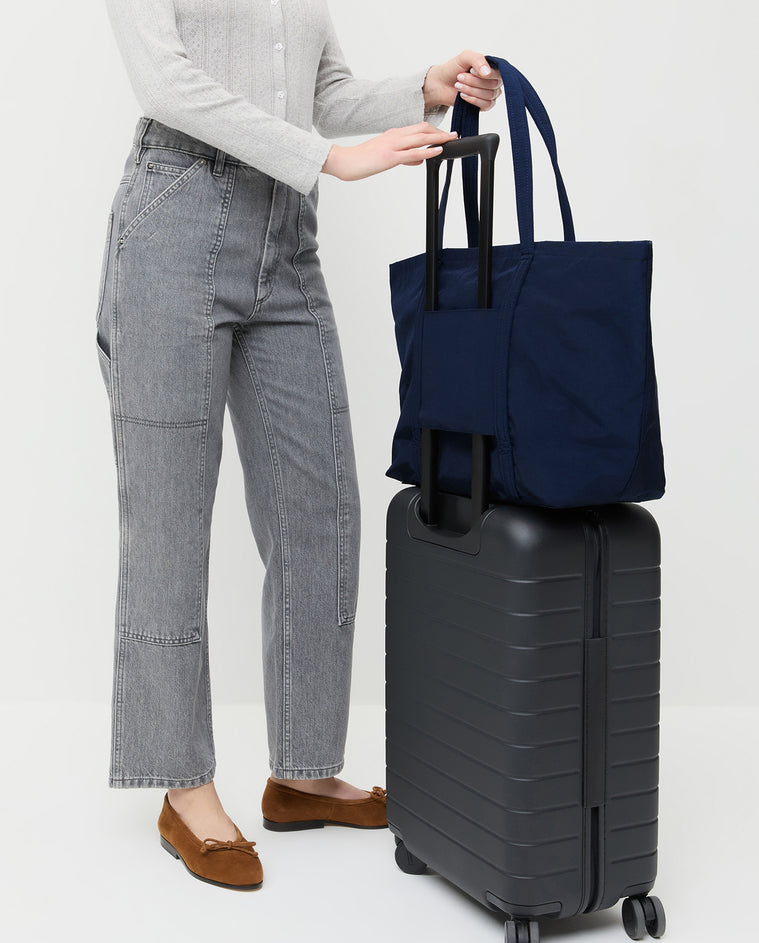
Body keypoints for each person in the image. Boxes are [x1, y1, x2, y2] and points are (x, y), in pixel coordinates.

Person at [96, 0, 502, 891]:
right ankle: (184, 786)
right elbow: (165, 80)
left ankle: (304, 769)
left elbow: (322, 89)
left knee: (318, 508)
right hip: (175, 222)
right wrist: (327, 157)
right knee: (168, 516)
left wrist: (421, 90)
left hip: (285, 240)